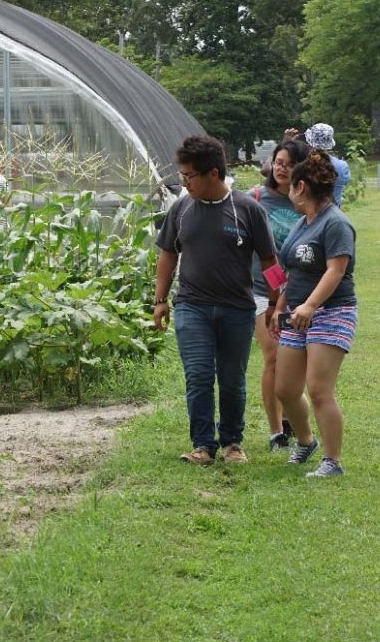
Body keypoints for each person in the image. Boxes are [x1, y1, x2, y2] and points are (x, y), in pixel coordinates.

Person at [153, 135, 278, 466]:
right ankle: (203, 445)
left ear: (212, 174)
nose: (184, 183)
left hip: (237, 309)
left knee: (232, 378)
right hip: (191, 306)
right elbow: (167, 254)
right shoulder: (181, 208)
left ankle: (232, 443)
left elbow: (270, 261)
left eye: (188, 176)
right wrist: (160, 299)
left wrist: (278, 302)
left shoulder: (248, 210)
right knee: (198, 374)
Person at [268, 151, 358, 478]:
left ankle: (332, 461)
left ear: (301, 186)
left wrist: (310, 305)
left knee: (319, 389)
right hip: (297, 312)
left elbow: (335, 271)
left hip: (332, 311)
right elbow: (290, 270)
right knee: (286, 389)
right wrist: (281, 307)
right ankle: (306, 442)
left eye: (291, 185)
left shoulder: (336, 222)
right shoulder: (301, 223)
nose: (287, 191)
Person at [249, 138, 310, 451]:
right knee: (272, 356)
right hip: (261, 291)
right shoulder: (256, 199)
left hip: (300, 294)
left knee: (295, 362)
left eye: (289, 163)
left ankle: (291, 416)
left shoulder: (308, 203)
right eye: (278, 162)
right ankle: (276, 432)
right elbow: (265, 255)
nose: (282, 168)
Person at [301, 123, 351, 208]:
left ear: (309, 143)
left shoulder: (303, 164)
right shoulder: (342, 166)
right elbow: (345, 181)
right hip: (333, 215)